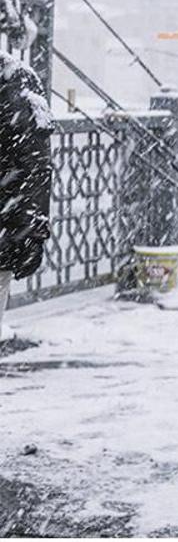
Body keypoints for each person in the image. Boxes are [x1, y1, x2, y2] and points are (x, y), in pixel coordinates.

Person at [0, 51, 52, 335]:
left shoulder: (15, 82)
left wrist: (29, 231)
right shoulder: (17, 82)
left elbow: (33, 167)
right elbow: (35, 166)